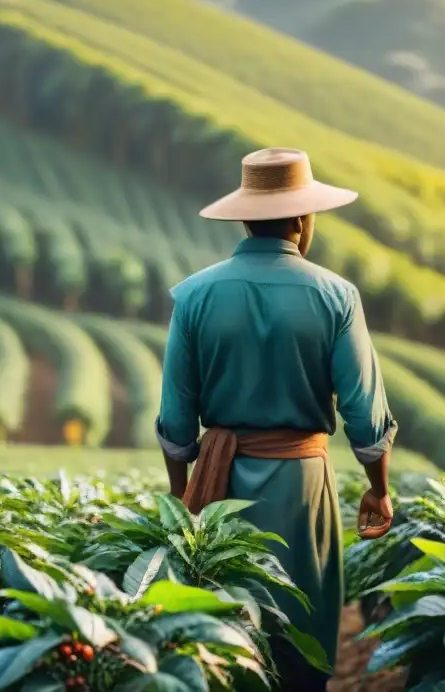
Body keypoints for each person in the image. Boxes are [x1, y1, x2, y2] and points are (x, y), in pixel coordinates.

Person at [155, 147, 397, 691]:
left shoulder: (194, 295)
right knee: (300, 638)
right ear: (301, 219)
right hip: (303, 488)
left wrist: (182, 498)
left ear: (243, 216)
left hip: (222, 495)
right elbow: (363, 408)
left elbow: (176, 420)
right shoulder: (335, 296)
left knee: (226, 642)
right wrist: (378, 490)